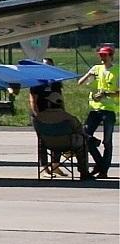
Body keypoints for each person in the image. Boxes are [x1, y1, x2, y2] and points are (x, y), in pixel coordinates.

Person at [31, 91, 91, 181]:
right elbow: (79, 130)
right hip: (67, 143)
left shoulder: (39, 118)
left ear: (49, 103)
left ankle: (45, 168)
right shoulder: (69, 118)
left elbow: (38, 132)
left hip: (48, 144)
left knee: (43, 140)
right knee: (82, 144)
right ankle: (84, 172)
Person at [79, 44, 118, 178]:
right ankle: (100, 163)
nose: (102, 58)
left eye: (104, 55)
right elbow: (81, 83)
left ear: (111, 56)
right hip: (95, 109)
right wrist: (89, 74)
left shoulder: (117, 70)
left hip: (109, 109)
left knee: (107, 141)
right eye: (100, 55)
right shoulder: (96, 68)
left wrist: (106, 94)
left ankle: (103, 171)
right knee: (85, 136)